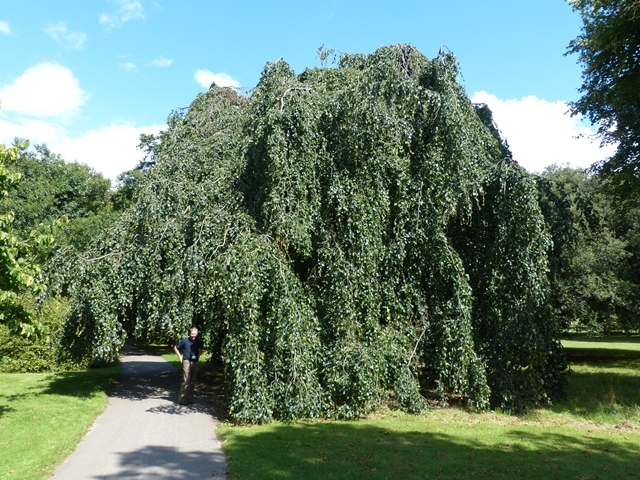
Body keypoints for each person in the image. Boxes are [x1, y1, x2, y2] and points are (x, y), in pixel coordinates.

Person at [173, 327, 203, 405]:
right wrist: (180, 357)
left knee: (192, 381)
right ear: (189, 333)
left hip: (195, 362)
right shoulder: (185, 341)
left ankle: (190, 398)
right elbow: (176, 347)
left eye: (195, 334)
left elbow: (200, 349)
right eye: (192, 334)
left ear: (197, 334)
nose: (194, 336)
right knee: (186, 381)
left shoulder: (198, 342)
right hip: (186, 361)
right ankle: (182, 398)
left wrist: (198, 356)